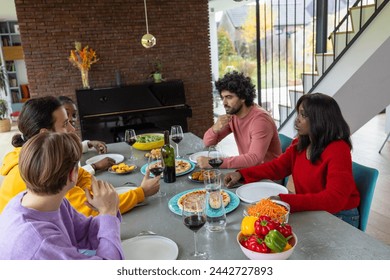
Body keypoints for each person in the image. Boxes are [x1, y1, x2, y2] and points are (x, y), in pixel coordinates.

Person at [0, 96, 160, 216]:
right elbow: (87, 211)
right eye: (65, 124)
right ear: (45, 133)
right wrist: (141, 193)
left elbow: (82, 177)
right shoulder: (36, 169)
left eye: (70, 122)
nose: (71, 129)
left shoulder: (44, 155)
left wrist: (94, 194)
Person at [224, 93, 361, 228]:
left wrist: (286, 200)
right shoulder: (301, 143)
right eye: (298, 114)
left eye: (303, 115)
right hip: (314, 210)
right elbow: (277, 167)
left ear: (320, 120)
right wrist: (242, 174)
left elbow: (334, 200)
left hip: (339, 217)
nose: (297, 120)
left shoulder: (338, 149)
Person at [0, 132, 124, 260]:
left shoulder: (32, 201)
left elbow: (84, 233)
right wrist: (108, 212)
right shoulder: (41, 243)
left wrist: (107, 213)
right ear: (73, 175)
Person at [197, 71, 281, 169]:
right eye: (222, 97)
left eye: (229, 97)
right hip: (250, 170)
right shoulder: (233, 116)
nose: (224, 103)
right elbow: (208, 142)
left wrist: (215, 163)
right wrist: (215, 128)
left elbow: (254, 159)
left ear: (243, 97)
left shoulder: (260, 120)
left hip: (269, 176)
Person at [58, 95, 112, 175]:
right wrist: (95, 166)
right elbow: (68, 178)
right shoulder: (52, 147)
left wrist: (89, 144)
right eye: (66, 114)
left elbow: (70, 151)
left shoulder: (64, 140)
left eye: (74, 115)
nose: (71, 119)